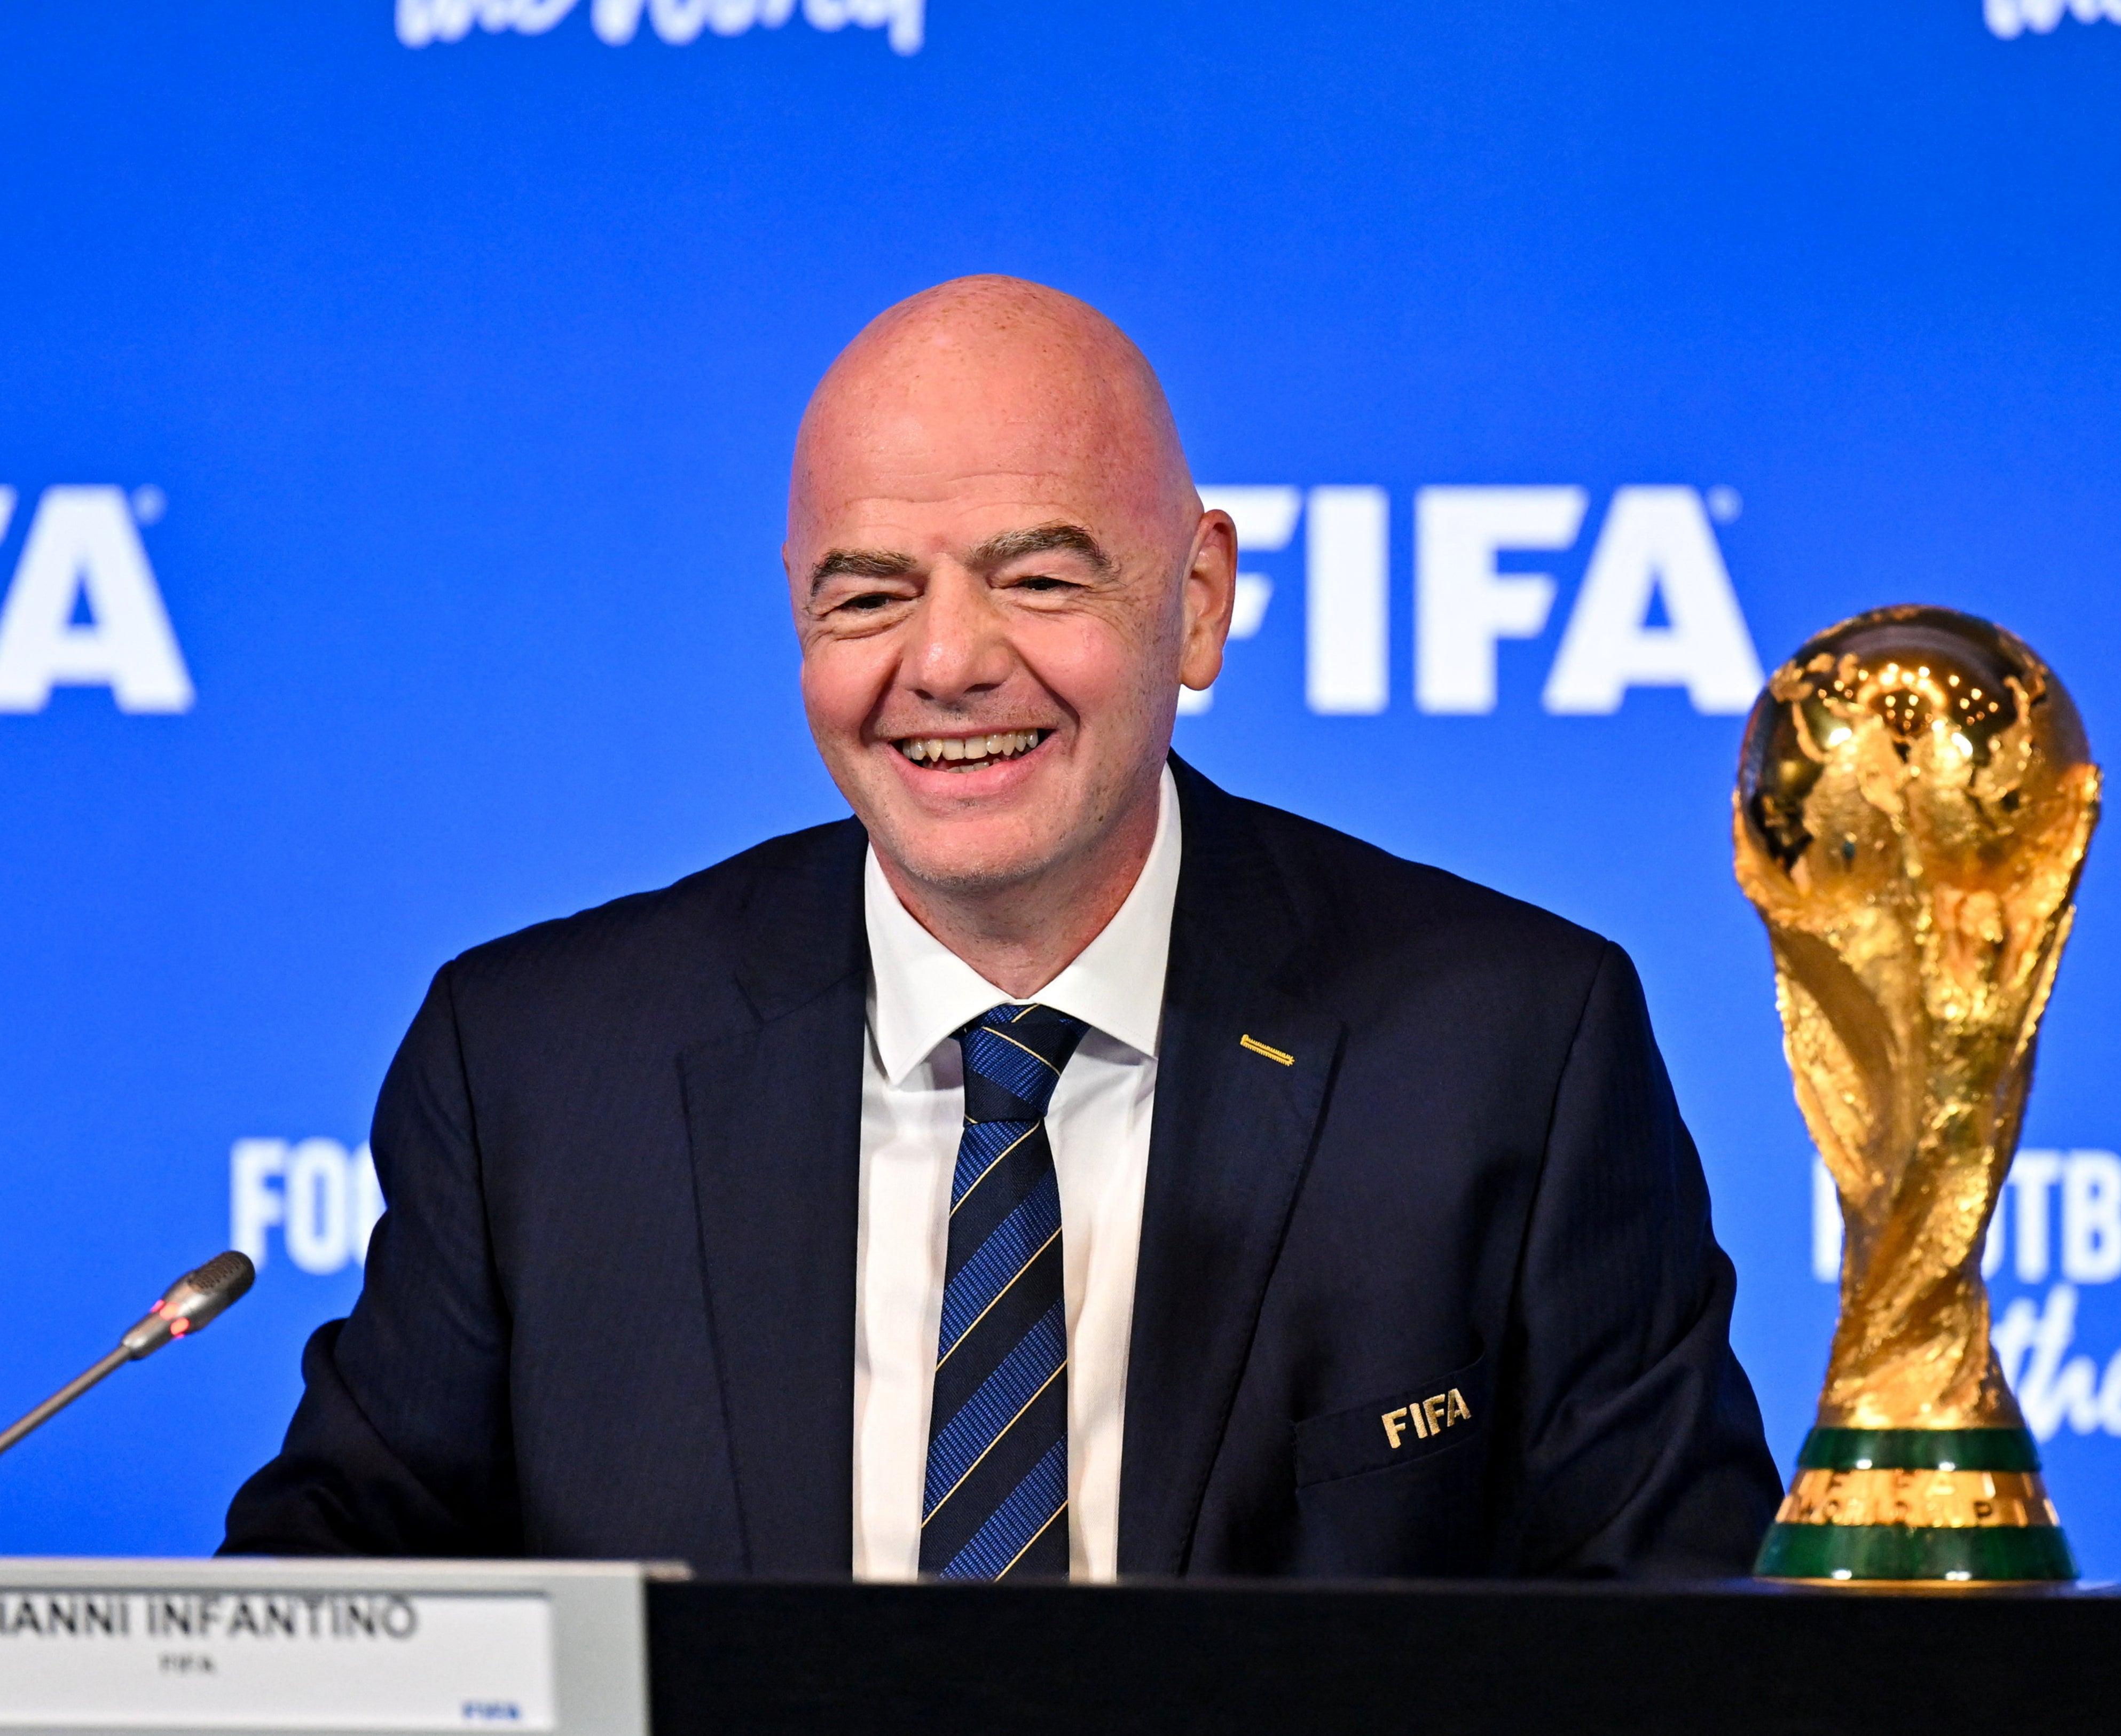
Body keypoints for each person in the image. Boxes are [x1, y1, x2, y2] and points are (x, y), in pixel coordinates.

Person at [223, 276, 1779, 1580]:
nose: (948, 660)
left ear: (1199, 600)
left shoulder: (1507, 1050)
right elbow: (331, 1594)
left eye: (1039, 576)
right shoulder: (537, 1074)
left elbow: (1681, 1638)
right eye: (867, 595)